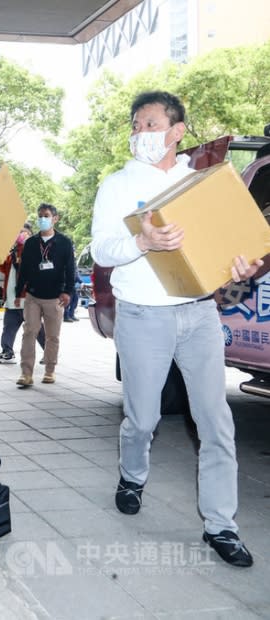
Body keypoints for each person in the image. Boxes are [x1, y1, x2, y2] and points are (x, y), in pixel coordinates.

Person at [91, 90, 259, 567]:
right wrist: (141, 240)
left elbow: (231, 249)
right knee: (143, 418)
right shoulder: (117, 185)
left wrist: (240, 266)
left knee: (216, 422)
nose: (140, 132)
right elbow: (101, 249)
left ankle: (220, 525)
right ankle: (132, 474)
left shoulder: (202, 185)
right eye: (136, 125)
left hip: (201, 313)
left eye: (149, 123)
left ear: (176, 130)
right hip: (143, 314)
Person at [15, 203, 75, 386]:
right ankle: (26, 374)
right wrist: (18, 293)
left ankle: (50, 370)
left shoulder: (64, 242)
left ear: (55, 219)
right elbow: (23, 270)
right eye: (40, 216)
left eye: (46, 216)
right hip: (33, 296)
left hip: (55, 297)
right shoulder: (31, 243)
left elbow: (70, 269)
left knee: (52, 336)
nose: (42, 219)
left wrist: (67, 292)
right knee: (29, 332)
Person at [0, 222, 45, 363]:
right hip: (12, 299)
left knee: (37, 329)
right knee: (8, 327)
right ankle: (7, 351)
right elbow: (4, 268)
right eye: (18, 232)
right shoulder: (13, 252)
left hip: (28, 299)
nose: (20, 235)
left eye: (23, 232)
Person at [63, 248, 81, 322]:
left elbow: (76, 273)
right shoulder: (66, 260)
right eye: (73, 251)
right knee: (68, 300)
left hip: (73, 284)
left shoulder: (74, 261)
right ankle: (66, 316)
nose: (74, 253)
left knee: (75, 299)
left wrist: (80, 281)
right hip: (66, 284)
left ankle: (71, 314)